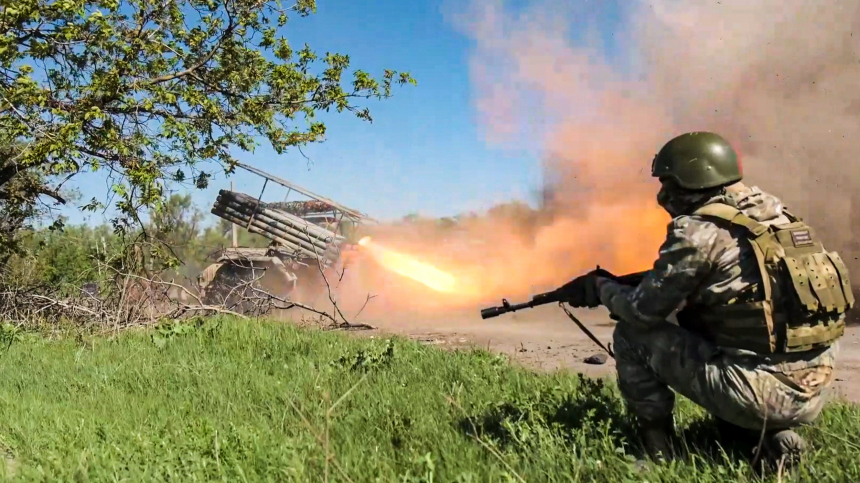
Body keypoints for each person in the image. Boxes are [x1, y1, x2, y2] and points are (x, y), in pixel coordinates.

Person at [565, 132, 853, 463]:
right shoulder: (780, 218)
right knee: (713, 325)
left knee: (631, 335)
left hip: (756, 393)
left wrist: (602, 288)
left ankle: (657, 454)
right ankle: (767, 436)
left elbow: (641, 311)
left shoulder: (697, 229)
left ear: (695, 178)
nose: (662, 195)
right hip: (812, 391)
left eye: (669, 183)